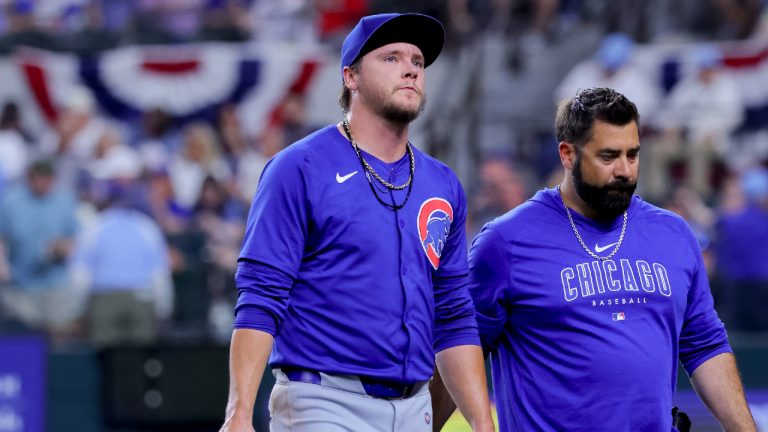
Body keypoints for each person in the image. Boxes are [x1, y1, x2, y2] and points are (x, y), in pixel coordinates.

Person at [220, 13, 494, 432]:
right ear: (350, 76)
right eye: (391, 58)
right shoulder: (299, 167)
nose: (410, 69)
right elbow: (261, 295)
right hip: (323, 401)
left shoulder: (443, 183)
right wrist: (238, 414)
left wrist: (481, 422)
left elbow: (454, 314)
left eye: (418, 62)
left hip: (414, 407)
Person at [434, 87, 756, 431]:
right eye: (608, 156)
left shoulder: (673, 235)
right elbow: (458, 346)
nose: (624, 170)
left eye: (632, 155)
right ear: (568, 154)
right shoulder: (505, 243)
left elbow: (705, 344)